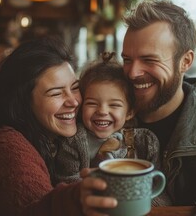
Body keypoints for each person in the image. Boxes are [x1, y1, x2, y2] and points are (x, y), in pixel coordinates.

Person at [82, 0, 196, 215]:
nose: (132, 73)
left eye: (149, 60)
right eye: (127, 60)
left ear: (185, 61)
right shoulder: (103, 112)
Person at [0, 36, 117, 216]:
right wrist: (73, 200)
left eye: (75, 87)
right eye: (55, 93)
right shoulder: (7, 151)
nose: (74, 101)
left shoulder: (51, 142)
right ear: (23, 102)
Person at [53, 52, 160, 186]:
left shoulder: (145, 143)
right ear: (81, 106)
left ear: (130, 112)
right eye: (92, 103)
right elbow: (66, 184)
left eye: (114, 105)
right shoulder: (72, 143)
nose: (102, 111)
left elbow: (158, 186)